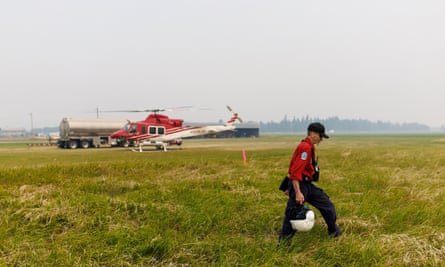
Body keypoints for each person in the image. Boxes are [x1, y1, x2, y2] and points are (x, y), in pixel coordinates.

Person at [278, 122, 342, 243]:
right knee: (293, 214)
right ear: (313, 134)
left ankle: (334, 232)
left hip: (307, 185)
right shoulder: (305, 148)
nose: (321, 139)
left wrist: (289, 187)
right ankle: (283, 244)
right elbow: (296, 171)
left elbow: (292, 169)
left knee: (327, 206)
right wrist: (297, 192)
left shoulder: (309, 147)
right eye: (320, 136)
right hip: (300, 185)